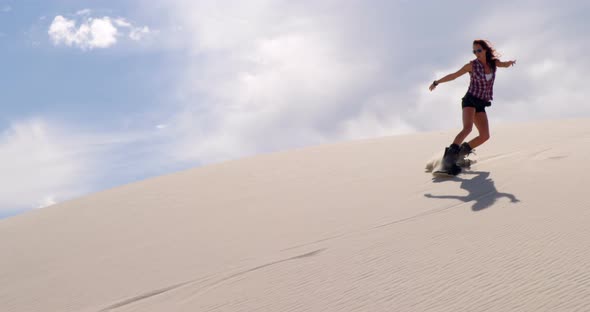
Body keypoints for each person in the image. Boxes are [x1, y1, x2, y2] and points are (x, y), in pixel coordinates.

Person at [429, 39, 516, 174]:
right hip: (470, 100)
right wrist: (437, 82)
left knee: (484, 136)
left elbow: (503, 64)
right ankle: (447, 163)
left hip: (481, 103)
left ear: (486, 50)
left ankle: (459, 156)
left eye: (479, 50)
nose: (476, 53)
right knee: (467, 128)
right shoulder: (472, 65)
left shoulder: (493, 64)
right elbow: (454, 75)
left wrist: (509, 63)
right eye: (474, 51)